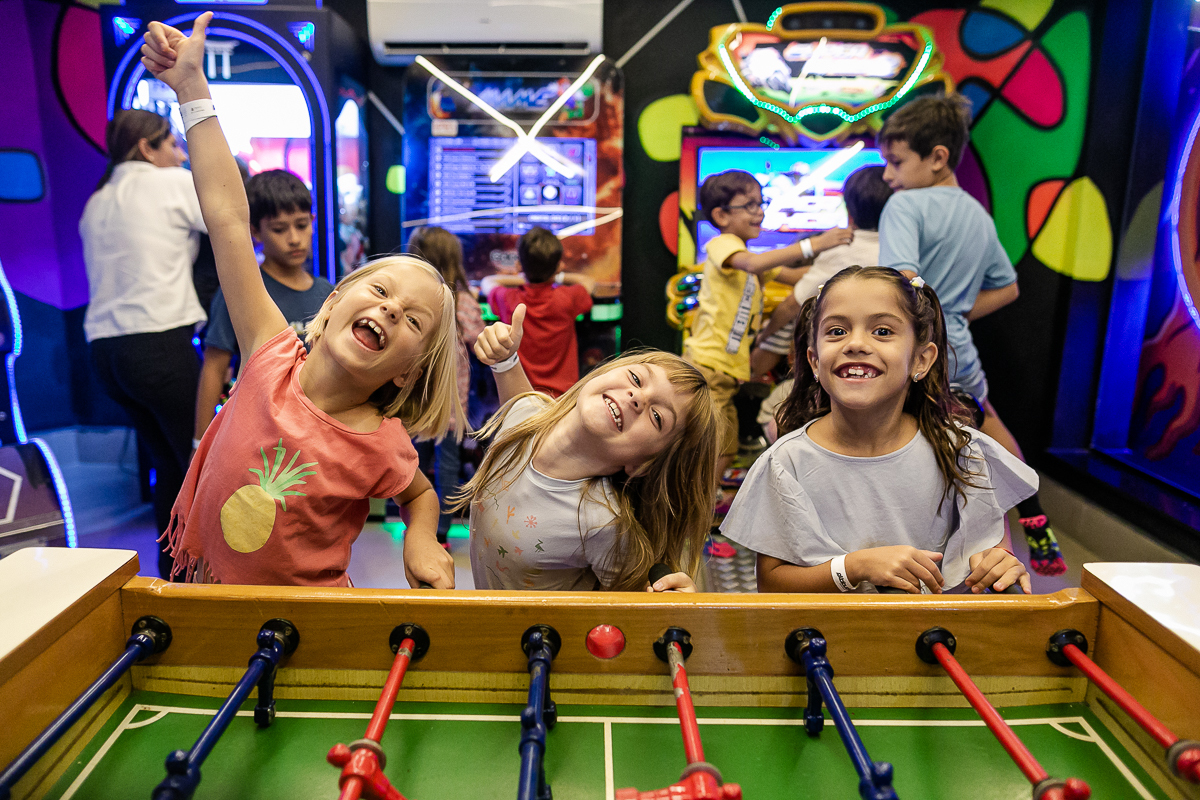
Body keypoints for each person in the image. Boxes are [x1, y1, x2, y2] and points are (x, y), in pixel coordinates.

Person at [141, 14, 461, 588]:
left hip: (311, 616)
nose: (391, 309)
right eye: (380, 291)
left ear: (409, 372)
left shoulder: (381, 442)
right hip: (211, 595)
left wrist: (420, 537)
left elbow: (419, 494)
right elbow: (228, 218)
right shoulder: (268, 352)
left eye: (413, 320)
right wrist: (191, 89)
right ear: (332, 303)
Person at [721, 267, 1036, 595]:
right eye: (837, 331)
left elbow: (993, 550)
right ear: (814, 361)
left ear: (921, 359)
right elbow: (772, 584)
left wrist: (1001, 563)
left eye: (882, 331)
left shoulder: (960, 450)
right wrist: (853, 568)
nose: (856, 343)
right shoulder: (785, 463)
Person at [876, 94, 1065, 577]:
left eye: (896, 162)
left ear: (938, 157)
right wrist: (954, 311)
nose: (888, 176)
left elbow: (902, 283)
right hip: (964, 358)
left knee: (949, 465)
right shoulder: (977, 214)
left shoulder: (904, 204)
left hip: (922, 360)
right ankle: (1035, 523)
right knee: (988, 431)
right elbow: (1008, 287)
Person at [456, 304, 718, 592]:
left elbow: (641, 604)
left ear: (645, 464)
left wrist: (669, 605)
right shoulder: (523, 417)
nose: (637, 397)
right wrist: (505, 358)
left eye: (657, 417)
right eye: (636, 378)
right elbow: (519, 406)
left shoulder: (603, 526)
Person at [80, 108, 206, 579]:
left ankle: (172, 575)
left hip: (107, 356)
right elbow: (231, 219)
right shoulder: (170, 183)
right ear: (146, 149)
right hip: (159, 345)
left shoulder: (97, 201)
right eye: (172, 144)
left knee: (169, 468)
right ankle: (203, 580)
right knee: (200, 469)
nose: (181, 155)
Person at [686, 169, 852, 481]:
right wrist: (814, 244)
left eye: (760, 203)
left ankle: (703, 499)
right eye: (749, 205)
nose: (759, 212)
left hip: (723, 370)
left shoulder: (753, 260)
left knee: (722, 447)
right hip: (707, 366)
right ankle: (696, 501)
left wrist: (842, 265)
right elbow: (753, 263)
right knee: (716, 447)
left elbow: (802, 279)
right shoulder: (724, 244)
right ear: (721, 215)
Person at [194, 169, 334, 444]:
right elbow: (214, 367)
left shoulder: (326, 292)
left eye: (301, 225)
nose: (294, 238)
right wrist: (200, 443)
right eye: (279, 229)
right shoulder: (242, 291)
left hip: (320, 431)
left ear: (313, 221)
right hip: (260, 434)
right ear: (255, 231)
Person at [754, 165, 893, 360]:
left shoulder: (842, 249)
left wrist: (762, 336)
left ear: (849, 212)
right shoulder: (903, 249)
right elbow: (818, 273)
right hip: (889, 343)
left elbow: (792, 305)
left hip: (844, 346)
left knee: (795, 318)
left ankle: (753, 372)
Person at [408, 226, 485, 544]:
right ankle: (441, 532)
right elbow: (480, 342)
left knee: (414, 463)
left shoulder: (412, 299)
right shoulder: (462, 301)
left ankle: (416, 525)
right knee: (448, 467)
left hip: (415, 401)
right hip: (450, 406)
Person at [480, 226, 595, 397]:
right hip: (562, 398)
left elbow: (487, 282)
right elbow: (588, 282)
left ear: (519, 265)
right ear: (558, 266)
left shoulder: (509, 299)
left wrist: (523, 275)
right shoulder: (568, 298)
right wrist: (557, 275)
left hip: (522, 396)